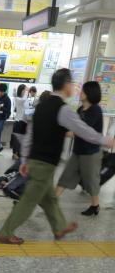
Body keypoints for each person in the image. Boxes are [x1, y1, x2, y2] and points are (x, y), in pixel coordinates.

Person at [0, 69, 113, 245]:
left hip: (37, 161)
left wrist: (25, 159)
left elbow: (29, 135)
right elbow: (83, 130)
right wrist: (105, 140)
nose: (74, 87)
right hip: (45, 163)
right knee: (29, 201)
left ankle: (59, 228)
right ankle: (6, 232)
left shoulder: (41, 105)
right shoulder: (63, 109)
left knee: (49, 197)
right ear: (66, 85)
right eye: (72, 83)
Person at [56, 81, 104, 216]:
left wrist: (63, 133)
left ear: (90, 93)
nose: (80, 92)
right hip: (78, 151)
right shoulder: (80, 109)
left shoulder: (95, 110)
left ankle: (95, 205)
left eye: (83, 91)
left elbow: (82, 130)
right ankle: (52, 201)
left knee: (91, 181)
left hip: (91, 153)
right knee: (66, 176)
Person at [11, 84, 29, 158]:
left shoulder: (25, 99)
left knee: (21, 139)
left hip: (24, 121)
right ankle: (14, 153)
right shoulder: (18, 99)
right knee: (16, 138)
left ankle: (19, 153)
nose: (25, 91)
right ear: (21, 90)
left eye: (25, 90)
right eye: (24, 90)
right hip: (19, 121)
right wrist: (27, 91)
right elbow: (23, 100)